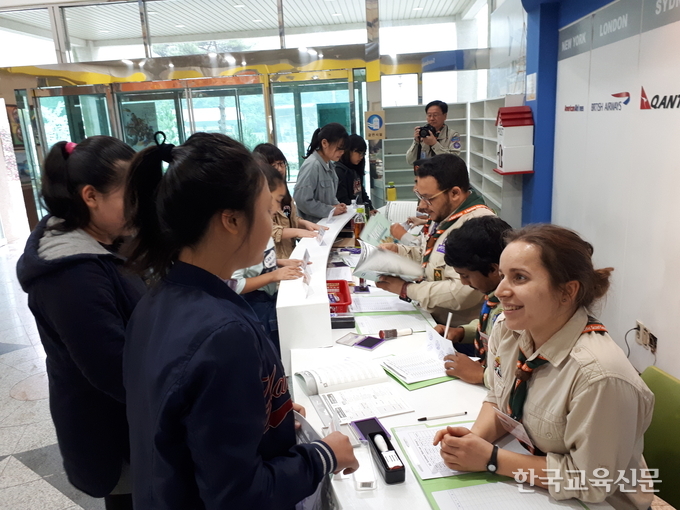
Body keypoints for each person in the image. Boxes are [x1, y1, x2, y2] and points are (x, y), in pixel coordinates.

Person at [123, 132, 358, 509]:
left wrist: (267, 415)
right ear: (231, 220)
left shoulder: (156, 302)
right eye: (265, 212)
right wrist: (323, 456)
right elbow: (239, 494)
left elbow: (192, 429)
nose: (271, 225)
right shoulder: (223, 335)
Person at [433, 224, 655, 510]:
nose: (500, 291)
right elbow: (499, 398)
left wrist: (492, 459)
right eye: (503, 276)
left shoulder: (599, 376)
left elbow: (591, 483)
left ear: (567, 292)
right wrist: (473, 443)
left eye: (520, 278)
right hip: (536, 484)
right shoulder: (508, 330)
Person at [16, 137, 142, 510]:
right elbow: (115, 371)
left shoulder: (106, 239)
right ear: (91, 196)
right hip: (114, 435)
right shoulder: (73, 276)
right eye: (131, 196)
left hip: (134, 422)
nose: (139, 206)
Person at [377, 153, 495, 325]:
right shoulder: (444, 215)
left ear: (455, 193)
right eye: (420, 197)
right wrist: (400, 251)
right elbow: (431, 256)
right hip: (430, 318)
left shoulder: (479, 225)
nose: (422, 206)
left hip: (456, 330)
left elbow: (461, 292)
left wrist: (406, 289)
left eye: (428, 198)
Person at [232, 164, 306, 351]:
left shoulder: (263, 226)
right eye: (277, 200)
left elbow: (259, 262)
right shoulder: (245, 235)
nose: (279, 207)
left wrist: (281, 263)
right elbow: (235, 284)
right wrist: (273, 276)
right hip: (256, 304)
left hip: (269, 299)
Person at [433, 216, 512, 386]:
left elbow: (514, 372)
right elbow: (489, 325)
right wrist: (462, 332)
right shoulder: (493, 298)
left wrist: (482, 375)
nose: (463, 282)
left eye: (465, 275)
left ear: (493, 269)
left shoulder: (512, 310)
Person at [253, 143, 325, 259]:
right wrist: (297, 232)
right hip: (274, 258)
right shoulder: (257, 198)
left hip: (289, 254)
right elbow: (268, 229)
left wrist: (304, 223)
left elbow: (289, 217)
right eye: (273, 165)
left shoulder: (284, 191)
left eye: (281, 163)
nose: (280, 169)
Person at [293, 123, 349, 222]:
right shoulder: (312, 165)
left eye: (343, 149)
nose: (342, 152)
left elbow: (329, 198)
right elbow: (302, 201)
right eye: (339, 148)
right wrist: (330, 210)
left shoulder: (330, 164)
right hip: (313, 226)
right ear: (324, 143)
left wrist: (337, 206)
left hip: (327, 223)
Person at [405, 100, 462, 165]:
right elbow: (410, 161)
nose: (432, 118)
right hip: (425, 171)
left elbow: (454, 161)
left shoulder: (453, 135)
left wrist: (434, 144)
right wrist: (416, 142)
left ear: (445, 116)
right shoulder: (423, 133)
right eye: (429, 115)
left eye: (435, 115)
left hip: (443, 171)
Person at [334, 134, 377, 215]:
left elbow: (362, 193)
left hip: (360, 214)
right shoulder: (339, 171)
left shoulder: (355, 169)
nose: (361, 157)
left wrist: (370, 208)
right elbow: (344, 201)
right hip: (349, 215)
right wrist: (365, 212)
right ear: (348, 150)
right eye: (359, 153)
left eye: (363, 154)